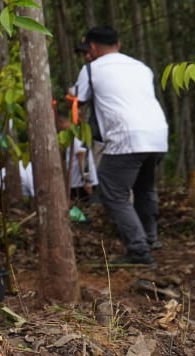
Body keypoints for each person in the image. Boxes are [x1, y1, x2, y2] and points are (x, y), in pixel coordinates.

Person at [69, 25, 167, 267]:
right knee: (144, 186)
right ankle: (150, 237)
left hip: (127, 136)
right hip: (157, 134)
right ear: (118, 45)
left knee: (112, 191)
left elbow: (77, 99)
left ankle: (138, 249)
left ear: (92, 47)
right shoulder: (141, 67)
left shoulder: (91, 69)